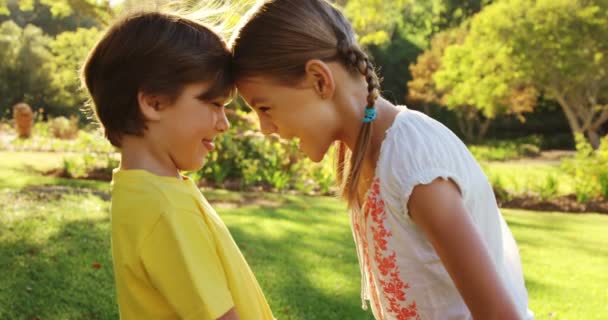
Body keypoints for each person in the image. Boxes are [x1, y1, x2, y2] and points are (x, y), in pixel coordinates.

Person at [230, 0, 533, 319]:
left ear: (319, 80)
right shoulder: (357, 152)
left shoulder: (412, 159)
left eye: (264, 108)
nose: (265, 128)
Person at [81, 11, 274, 320]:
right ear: (154, 103)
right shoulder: (166, 210)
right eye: (214, 104)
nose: (224, 123)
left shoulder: (144, 191)